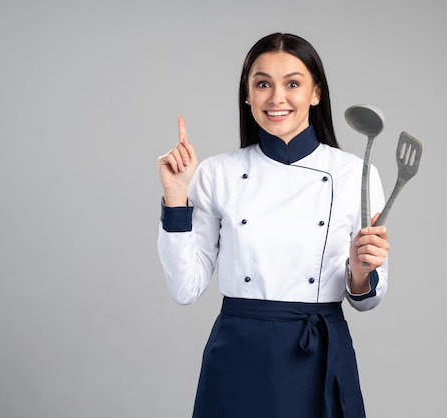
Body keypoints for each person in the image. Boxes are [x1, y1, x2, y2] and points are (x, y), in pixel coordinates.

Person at [157, 32, 389, 418]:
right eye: (262, 83)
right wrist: (175, 197)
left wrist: (361, 271)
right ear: (247, 94)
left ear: (316, 93)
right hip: (238, 357)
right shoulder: (217, 173)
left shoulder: (355, 174)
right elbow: (185, 288)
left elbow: (368, 298)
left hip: (316, 358)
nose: (276, 98)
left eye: (293, 84)